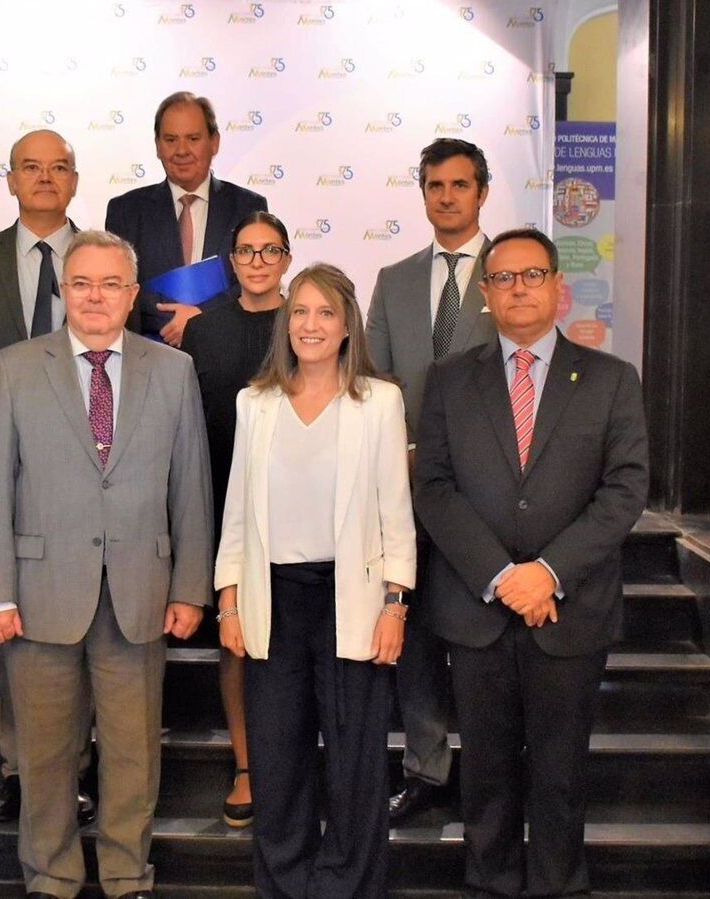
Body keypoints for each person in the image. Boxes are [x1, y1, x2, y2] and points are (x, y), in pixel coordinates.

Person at [0, 230, 213, 899]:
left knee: (134, 753)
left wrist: (191, 585)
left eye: (111, 283)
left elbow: (190, 484)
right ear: (62, 290)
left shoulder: (173, 371)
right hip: (38, 593)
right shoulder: (16, 367)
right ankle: (50, 874)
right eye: (82, 283)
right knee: (45, 756)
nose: (96, 296)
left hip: (140, 593)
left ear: (133, 294)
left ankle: (127, 873)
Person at [414, 228, 647, 897]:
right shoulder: (450, 380)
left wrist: (545, 573)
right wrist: (500, 575)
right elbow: (432, 485)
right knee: (485, 774)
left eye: (532, 274)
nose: (518, 287)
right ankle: (489, 883)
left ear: (557, 286)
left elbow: (624, 489)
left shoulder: (610, 380)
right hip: (477, 609)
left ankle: (557, 886)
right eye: (504, 277)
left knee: (561, 773)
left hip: (569, 611)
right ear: (485, 294)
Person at [213, 263, 416, 898]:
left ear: (348, 325)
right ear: (285, 322)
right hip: (273, 597)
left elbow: (395, 513)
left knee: (356, 761)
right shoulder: (256, 403)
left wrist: (395, 604)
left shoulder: (380, 402)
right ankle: (285, 882)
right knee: (278, 757)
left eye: (325, 313)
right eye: (299, 312)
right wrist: (229, 600)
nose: (310, 325)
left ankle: (347, 886)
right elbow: (238, 512)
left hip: (351, 600)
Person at [0, 128, 95, 828]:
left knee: (86, 621)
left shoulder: (103, 258)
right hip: (0, 464)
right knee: (6, 619)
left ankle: (80, 772)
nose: (43, 178)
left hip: (91, 468)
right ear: (9, 180)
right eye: (29, 168)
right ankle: (18, 769)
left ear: (74, 179)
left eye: (56, 167)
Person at [365, 138, 499, 823]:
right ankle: (425, 766)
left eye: (459, 184)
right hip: (409, 491)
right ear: (421, 193)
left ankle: (488, 771)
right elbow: (376, 384)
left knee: (478, 637)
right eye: (434, 185)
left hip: (492, 497)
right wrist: (407, 453)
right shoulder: (392, 280)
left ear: (483, 192)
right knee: (413, 637)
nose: (446, 196)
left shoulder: (511, 275)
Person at [181, 211, 292, 827]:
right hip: (225, 502)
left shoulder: (307, 322)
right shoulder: (204, 329)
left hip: (302, 510)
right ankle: (247, 766)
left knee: (297, 642)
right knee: (238, 640)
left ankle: (292, 763)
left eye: (268, 250)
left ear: (286, 258)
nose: (256, 261)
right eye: (245, 251)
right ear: (230, 260)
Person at [104, 90, 268, 347]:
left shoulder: (248, 207)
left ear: (214, 142)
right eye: (170, 139)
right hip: (150, 358)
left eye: (193, 138)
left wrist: (200, 318)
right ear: (157, 146)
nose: (182, 150)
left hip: (227, 353)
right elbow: (115, 286)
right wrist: (174, 316)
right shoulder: (126, 210)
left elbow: (255, 283)